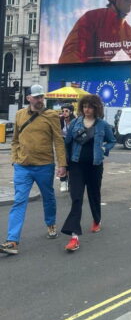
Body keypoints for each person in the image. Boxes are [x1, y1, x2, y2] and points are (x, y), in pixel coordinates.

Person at [0, 85, 67, 256]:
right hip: (22, 166)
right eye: (36, 97)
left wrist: (62, 165)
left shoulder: (51, 115)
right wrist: (15, 159)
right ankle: (12, 240)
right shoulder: (20, 114)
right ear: (28, 98)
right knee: (19, 201)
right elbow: (15, 140)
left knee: (48, 197)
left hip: (44, 165)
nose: (39, 100)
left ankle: (51, 223)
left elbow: (58, 141)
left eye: (41, 97)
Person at [61, 94, 116, 252]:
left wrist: (105, 149)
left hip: (94, 166)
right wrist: (65, 164)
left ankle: (96, 220)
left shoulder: (102, 125)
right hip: (76, 165)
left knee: (94, 194)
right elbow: (67, 143)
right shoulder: (75, 123)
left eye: (90, 107)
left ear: (96, 108)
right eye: (85, 106)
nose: (87, 109)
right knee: (76, 198)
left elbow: (112, 140)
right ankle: (74, 237)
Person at [59, 103, 76, 192]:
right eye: (63, 111)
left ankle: (70, 182)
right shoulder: (60, 120)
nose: (64, 113)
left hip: (73, 143)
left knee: (72, 162)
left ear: (71, 112)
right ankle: (63, 181)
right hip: (63, 142)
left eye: (66, 111)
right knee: (63, 160)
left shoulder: (75, 121)